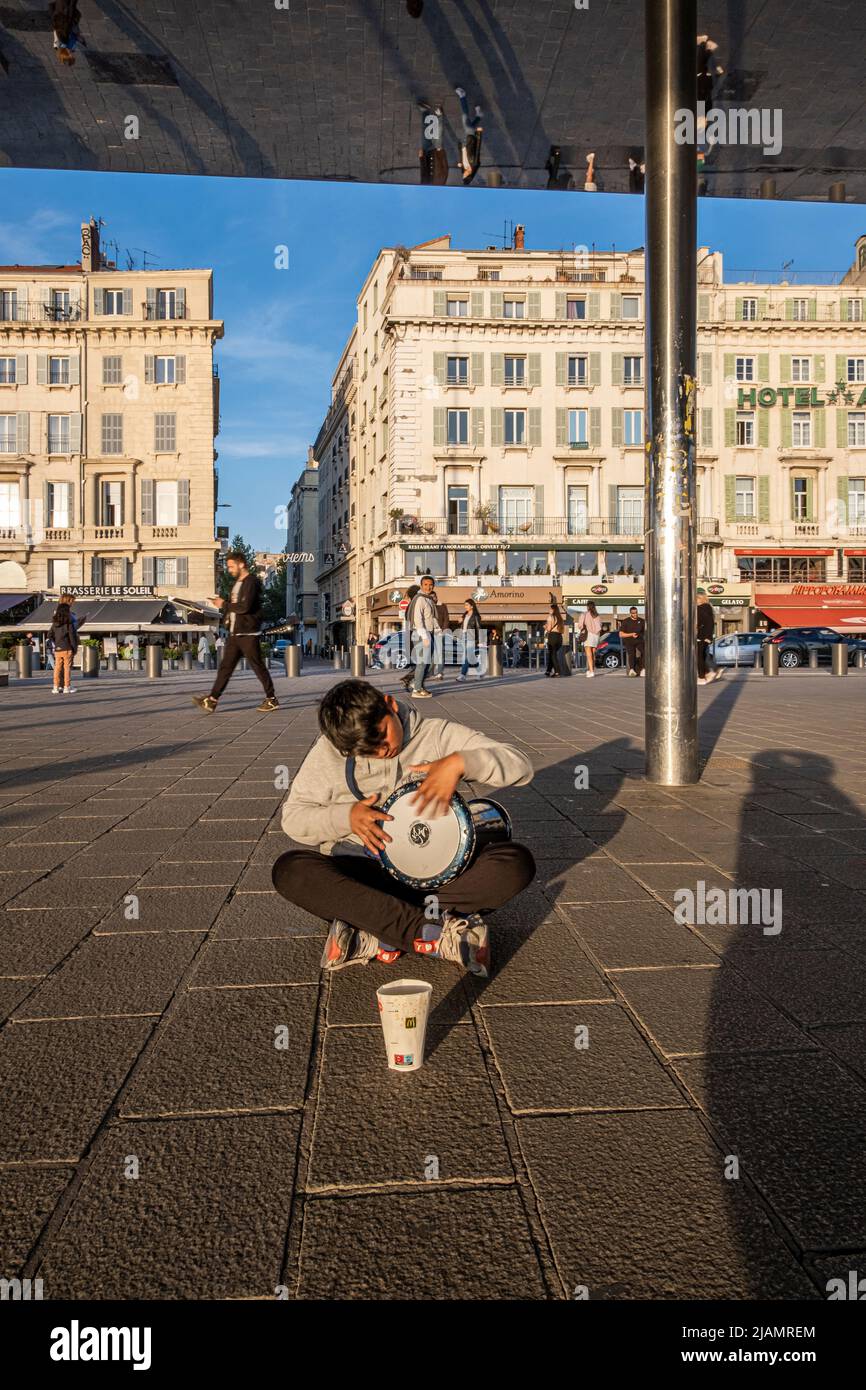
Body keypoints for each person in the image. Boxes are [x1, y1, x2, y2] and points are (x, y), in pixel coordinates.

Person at [272, 680, 537, 978]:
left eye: (383, 736)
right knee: (290, 870)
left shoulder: (436, 735)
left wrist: (461, 762)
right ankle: (435, 933)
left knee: (514, 863)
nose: (383, 751)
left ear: (390, 704)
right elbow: (293, 817)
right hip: (365, 872)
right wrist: (346, 818)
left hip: (436, 879)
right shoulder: (332, 749)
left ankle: (376, 931)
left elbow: (521, 765)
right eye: (368, 751)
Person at [193, 552, 279, 713]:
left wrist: (223, 604)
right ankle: (212, 700)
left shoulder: (251, 582)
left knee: (258, 666)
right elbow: (235, 608)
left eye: (232, 566)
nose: (229, 569)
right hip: (235, 633)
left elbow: (244, 607)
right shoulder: (237, 584)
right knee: (225, 667)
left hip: (248, 634)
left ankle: (271, 698)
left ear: (241, 564)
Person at [405, 575, 440, 699]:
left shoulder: (428, 599)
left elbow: (431, 617)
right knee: (422, 662)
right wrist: (424, 636)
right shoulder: (420, 599)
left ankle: (416, 683)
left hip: (429, 633)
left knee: (430, 663)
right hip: (421, 634)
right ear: (421, 585)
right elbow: (417, 619)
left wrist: (437, 629)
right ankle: (417, 689)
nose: (428, 587)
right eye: (425, 584)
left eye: (431, 585)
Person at [49, 593, 78, 695]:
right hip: (67, 647)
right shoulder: (68, 623)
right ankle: (66, 686)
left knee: (57, 668)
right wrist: (74, 648)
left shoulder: (55, 623)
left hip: (57, 648)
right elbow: (72, 636)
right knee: (67, 668)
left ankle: (55, 687)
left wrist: (56, 642)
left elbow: (49, 634)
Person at [455, 86, 483, 185]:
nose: (464, 173)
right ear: (469, 174)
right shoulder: (474, 163)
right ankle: (462, 96)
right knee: (465, 119)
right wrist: (479, 134)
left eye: (463, 174)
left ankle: (479, 116)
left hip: (464, 141)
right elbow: (478, 149)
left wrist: (460, 147)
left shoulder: (463, 168)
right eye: (465, 174)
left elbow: (461, 156)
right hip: (471, 138)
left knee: (470, 124)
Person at [418, 102, 449, 186]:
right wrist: (441, 152)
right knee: (438, 132)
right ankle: (439, 115)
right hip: (437, 152)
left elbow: (423, 171)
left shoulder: (424, 185)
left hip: (427, 153)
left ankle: (425, 111)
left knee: (425, 131)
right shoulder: (441, 182)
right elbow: (445, 168)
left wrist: (421, 157)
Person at [697, 589, 720, 684]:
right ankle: (711, 671)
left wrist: (707, 636)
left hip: (701, 636)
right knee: (702, 655)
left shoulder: (702, 608)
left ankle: (703, 676)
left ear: (700, 599)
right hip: (703, 636)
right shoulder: (707, 607)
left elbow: (708, 623)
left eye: (696, 599)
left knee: (699, 656)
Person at [457, 598, 483, 681]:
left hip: (471, 637)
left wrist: (479, 641)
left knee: (466, 656)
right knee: (470, 657)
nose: (465, 606)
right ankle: (480, 671)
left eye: (467, 605)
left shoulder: (476, 616)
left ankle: (463, 675)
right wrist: (460, 621)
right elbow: (463, 627)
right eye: (464, 605)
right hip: (464, 636)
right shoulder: (465, 615)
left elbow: (479, 628)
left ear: (472, 606)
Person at [620, 605, 646, 677]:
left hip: (639, 640)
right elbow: (621, 634)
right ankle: (632, 670)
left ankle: (643, 669)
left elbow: (645, 631)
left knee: (644, 651)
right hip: (629, 640)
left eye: (636, 612)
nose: (635, 614)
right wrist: (631, 634)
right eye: (633, 613)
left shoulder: (641, 621)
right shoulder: (626, 621)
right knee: (631, 654)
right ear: (630, 613)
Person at [579, 600, 603, 677]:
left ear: (588, 607)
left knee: (588, 654)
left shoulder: (584, 614)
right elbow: (600, 626)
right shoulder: (597, 615)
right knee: (593, 653)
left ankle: (591, 671)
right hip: (596, 635)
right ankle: (590, 670)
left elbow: (580, 625)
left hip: (588, 634)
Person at [430, 589, 450, 680]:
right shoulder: (428, 605)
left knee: (440, 653)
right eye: (430, 597)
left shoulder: (442, 605)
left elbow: (446, 618)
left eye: (433, 596)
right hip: (430, 632)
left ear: (436, 597)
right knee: (432, 654)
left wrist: (444, 630)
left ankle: (440, 673)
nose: (432, 598)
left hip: (439, 632)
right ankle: (430, 672)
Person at [545, 602, 566, 677]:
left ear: (553, 610)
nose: (549, 610)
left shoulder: (550, 617)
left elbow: (549, 629)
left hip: (553, 636)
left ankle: (557, 672)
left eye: (550, 609)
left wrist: (545, 626)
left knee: (553, 655)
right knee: (552, 654)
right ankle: (548, 670)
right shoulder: (560, 618)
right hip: (559, 637)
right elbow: (562, 630)